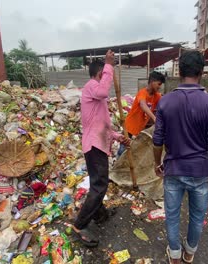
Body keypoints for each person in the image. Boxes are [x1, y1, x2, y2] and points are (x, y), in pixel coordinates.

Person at [153, 50, 208, 264]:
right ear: (201, 72)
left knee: (172, 216)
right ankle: (189, 253)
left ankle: (174, 256)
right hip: (200, 171)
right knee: (196, 216)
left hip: (173, 170)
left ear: (180, 71)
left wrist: (157, 164)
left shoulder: (165, 102)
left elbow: (157, 141)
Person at [72, 50, 130, 247]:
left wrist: (117, 136)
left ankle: (100, 214)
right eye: (104, 74)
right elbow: (104, 90)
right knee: (99, 185)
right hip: (94, 145)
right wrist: (109, 65)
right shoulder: (92, 87)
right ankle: (79, 225)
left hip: (99, 144)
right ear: (99, 74)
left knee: (99, 183)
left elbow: (102, 124)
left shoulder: (98, 97)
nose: (107, 78)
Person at [117, 71, 165, 156]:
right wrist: (154, 118)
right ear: (152, 82)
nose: (159, 87)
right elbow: (143, 104)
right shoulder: (142, 93)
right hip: (129, 128)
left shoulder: (157, 96)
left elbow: (165, 103)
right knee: (123, 151)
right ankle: (116, 166)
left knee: (133, 153)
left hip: (139, 131)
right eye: (159, 84)